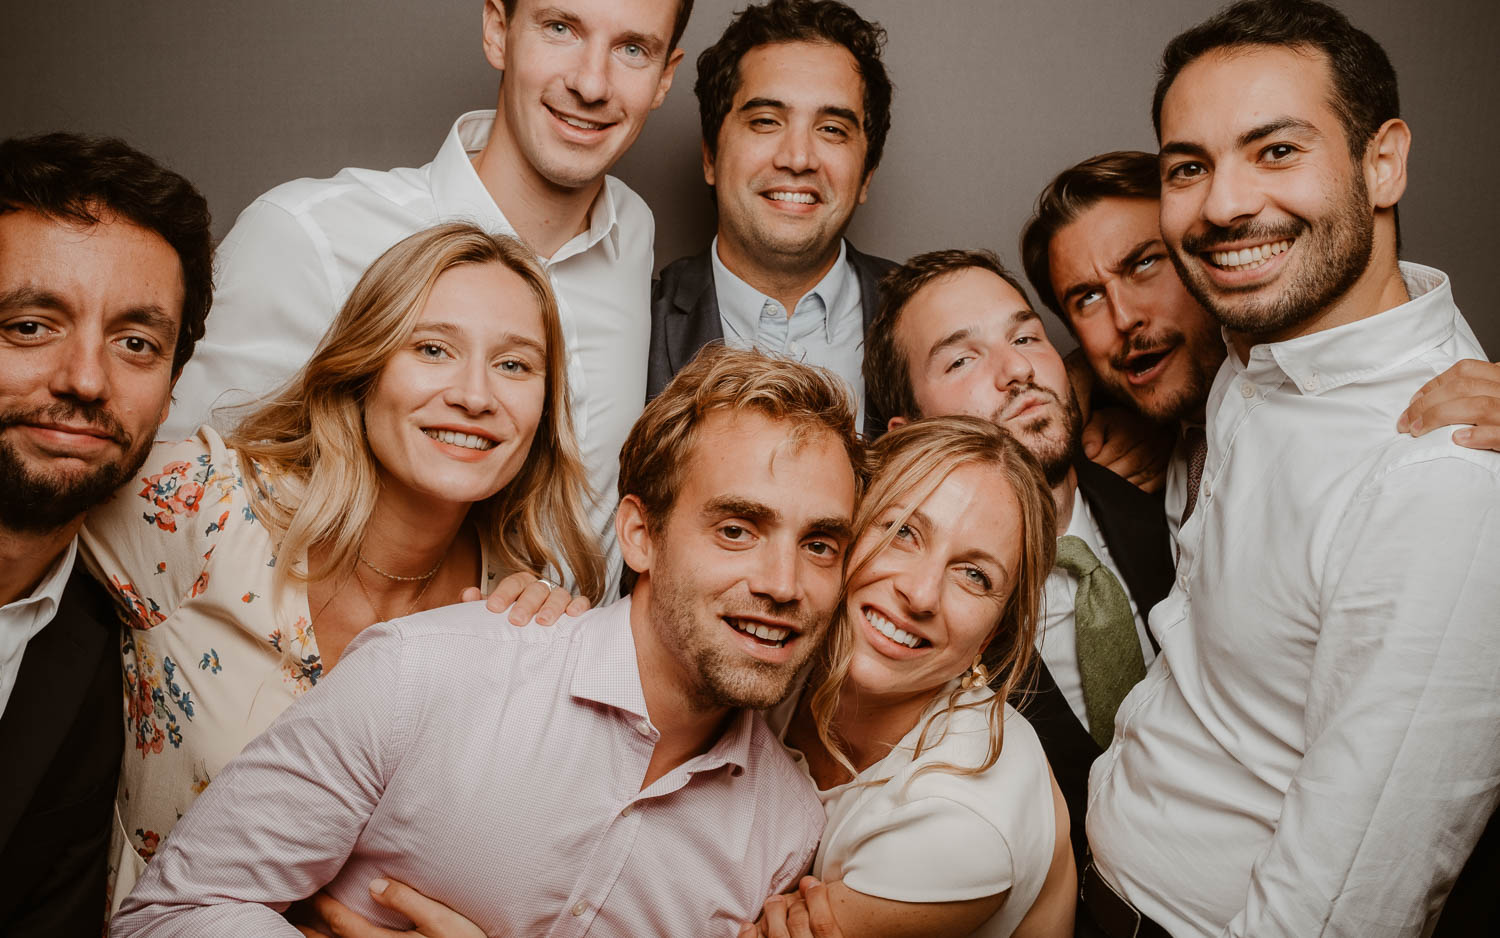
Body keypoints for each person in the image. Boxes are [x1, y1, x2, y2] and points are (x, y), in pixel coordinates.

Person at [111, 345, 860, 936]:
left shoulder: (788, 833)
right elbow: (169, 916)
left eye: (822, 545)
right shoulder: (425, 673)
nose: (784, 583)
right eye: (737, 529)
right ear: (641, 534)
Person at [1082, 3, 1500, 937]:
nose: (1225, 204)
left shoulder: (1442, 479)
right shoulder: (1257, 348)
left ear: (1381, 161)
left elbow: (1347, 898)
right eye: (1189, 166)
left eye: (1276, 150)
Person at [85, 222, 605, 912]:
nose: (475, 396)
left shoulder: (516, 613)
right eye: (432, 349)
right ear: (365, 366)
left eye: (514, 365)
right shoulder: (205, 505)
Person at [162, 0, 695, 591]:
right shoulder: (308, 234)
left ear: (664, 76)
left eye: (631, 49)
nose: (591, 83)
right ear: (498, 29)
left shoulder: (631, 235)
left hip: (565, 665)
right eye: (560, 28)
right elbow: (166, 506)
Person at [861, 249, 1172, 872]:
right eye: (961, 359)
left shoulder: (1171, 512)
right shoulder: (895, 611)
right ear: (906, 434)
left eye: (1026, 335)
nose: (1016, 370)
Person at [1022, 150, 1500, 535]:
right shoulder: (1148, 446)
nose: (1123, 318)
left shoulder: (1399, 424)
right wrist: (1074, 385)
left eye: (1145, 265)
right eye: (1086, 298)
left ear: (1212, 258)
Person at [746, 416, 1074, 938]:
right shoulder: (786, 639)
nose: (920, 594)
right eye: (903, 532)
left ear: (990, 637)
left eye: (974, 575)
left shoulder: (961, 820)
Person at [0, 132, 211, 937]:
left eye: (136, 344)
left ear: (172, 385)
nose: (86, 380)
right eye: (29, 326)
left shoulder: (105, 657)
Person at [649, 0, 894, 434]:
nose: (798, 158)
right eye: (765, 121)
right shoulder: (636, 322)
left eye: (832, 129)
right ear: (711, 156)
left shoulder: (924, 315)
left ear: (867, 176)